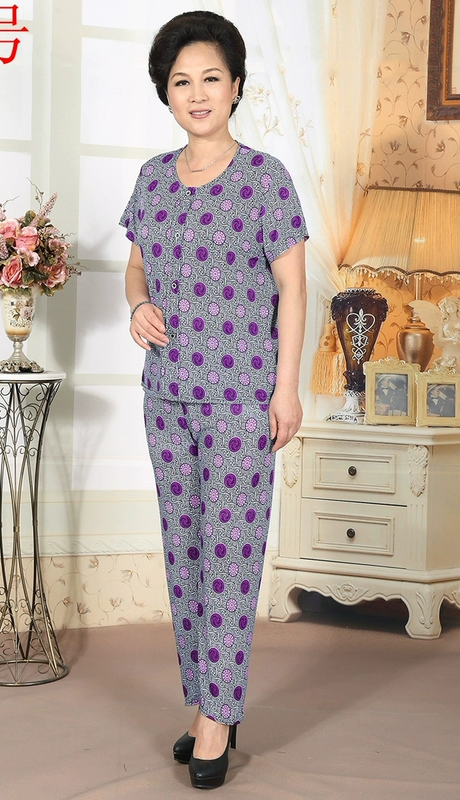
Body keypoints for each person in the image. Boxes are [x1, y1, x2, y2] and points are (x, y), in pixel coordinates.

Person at [120, 10, 307, 790]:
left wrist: (286, 387)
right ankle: (207, 702)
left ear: (234, 86)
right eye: (180, 82)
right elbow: (136, 265)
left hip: (239, 400)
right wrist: (137, 303)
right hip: (165, 397)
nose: (196, 94)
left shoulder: (265, 178)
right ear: (165, 93)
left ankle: (215, 722)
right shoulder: (151, 177)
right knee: (186, 553)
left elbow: (293, 288)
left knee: (230, 556)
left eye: (209, 79)